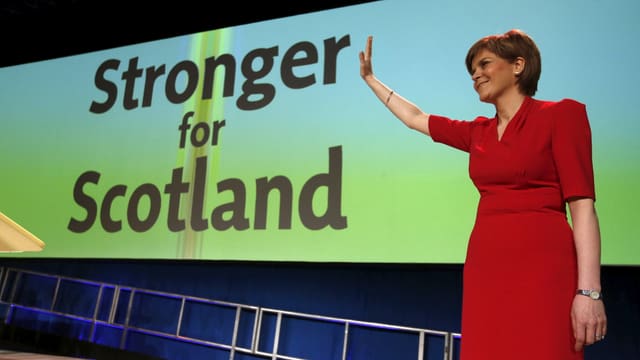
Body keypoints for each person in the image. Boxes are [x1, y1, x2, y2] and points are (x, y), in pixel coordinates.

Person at [359, 29, 607, 359]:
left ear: (518, 65)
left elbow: (583, 208)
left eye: (484, 64)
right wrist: (371, 79)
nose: (476, 74)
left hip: (545, 267)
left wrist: (588, 293)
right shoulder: (478, 132)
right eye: (472, 70)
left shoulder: (561, 115)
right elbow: (415, 118)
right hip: (486, 267)